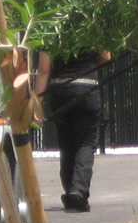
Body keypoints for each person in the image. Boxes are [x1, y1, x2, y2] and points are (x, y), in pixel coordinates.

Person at [36, 44, 113, 212]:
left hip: (60, 89)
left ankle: (71, 192)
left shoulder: (51, 26)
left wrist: (37, 102)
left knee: (67, 144)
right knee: (85, 143)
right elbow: (106, 57)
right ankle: (78, 190)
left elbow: (43, 69)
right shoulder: (89, 21)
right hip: (87, 88)